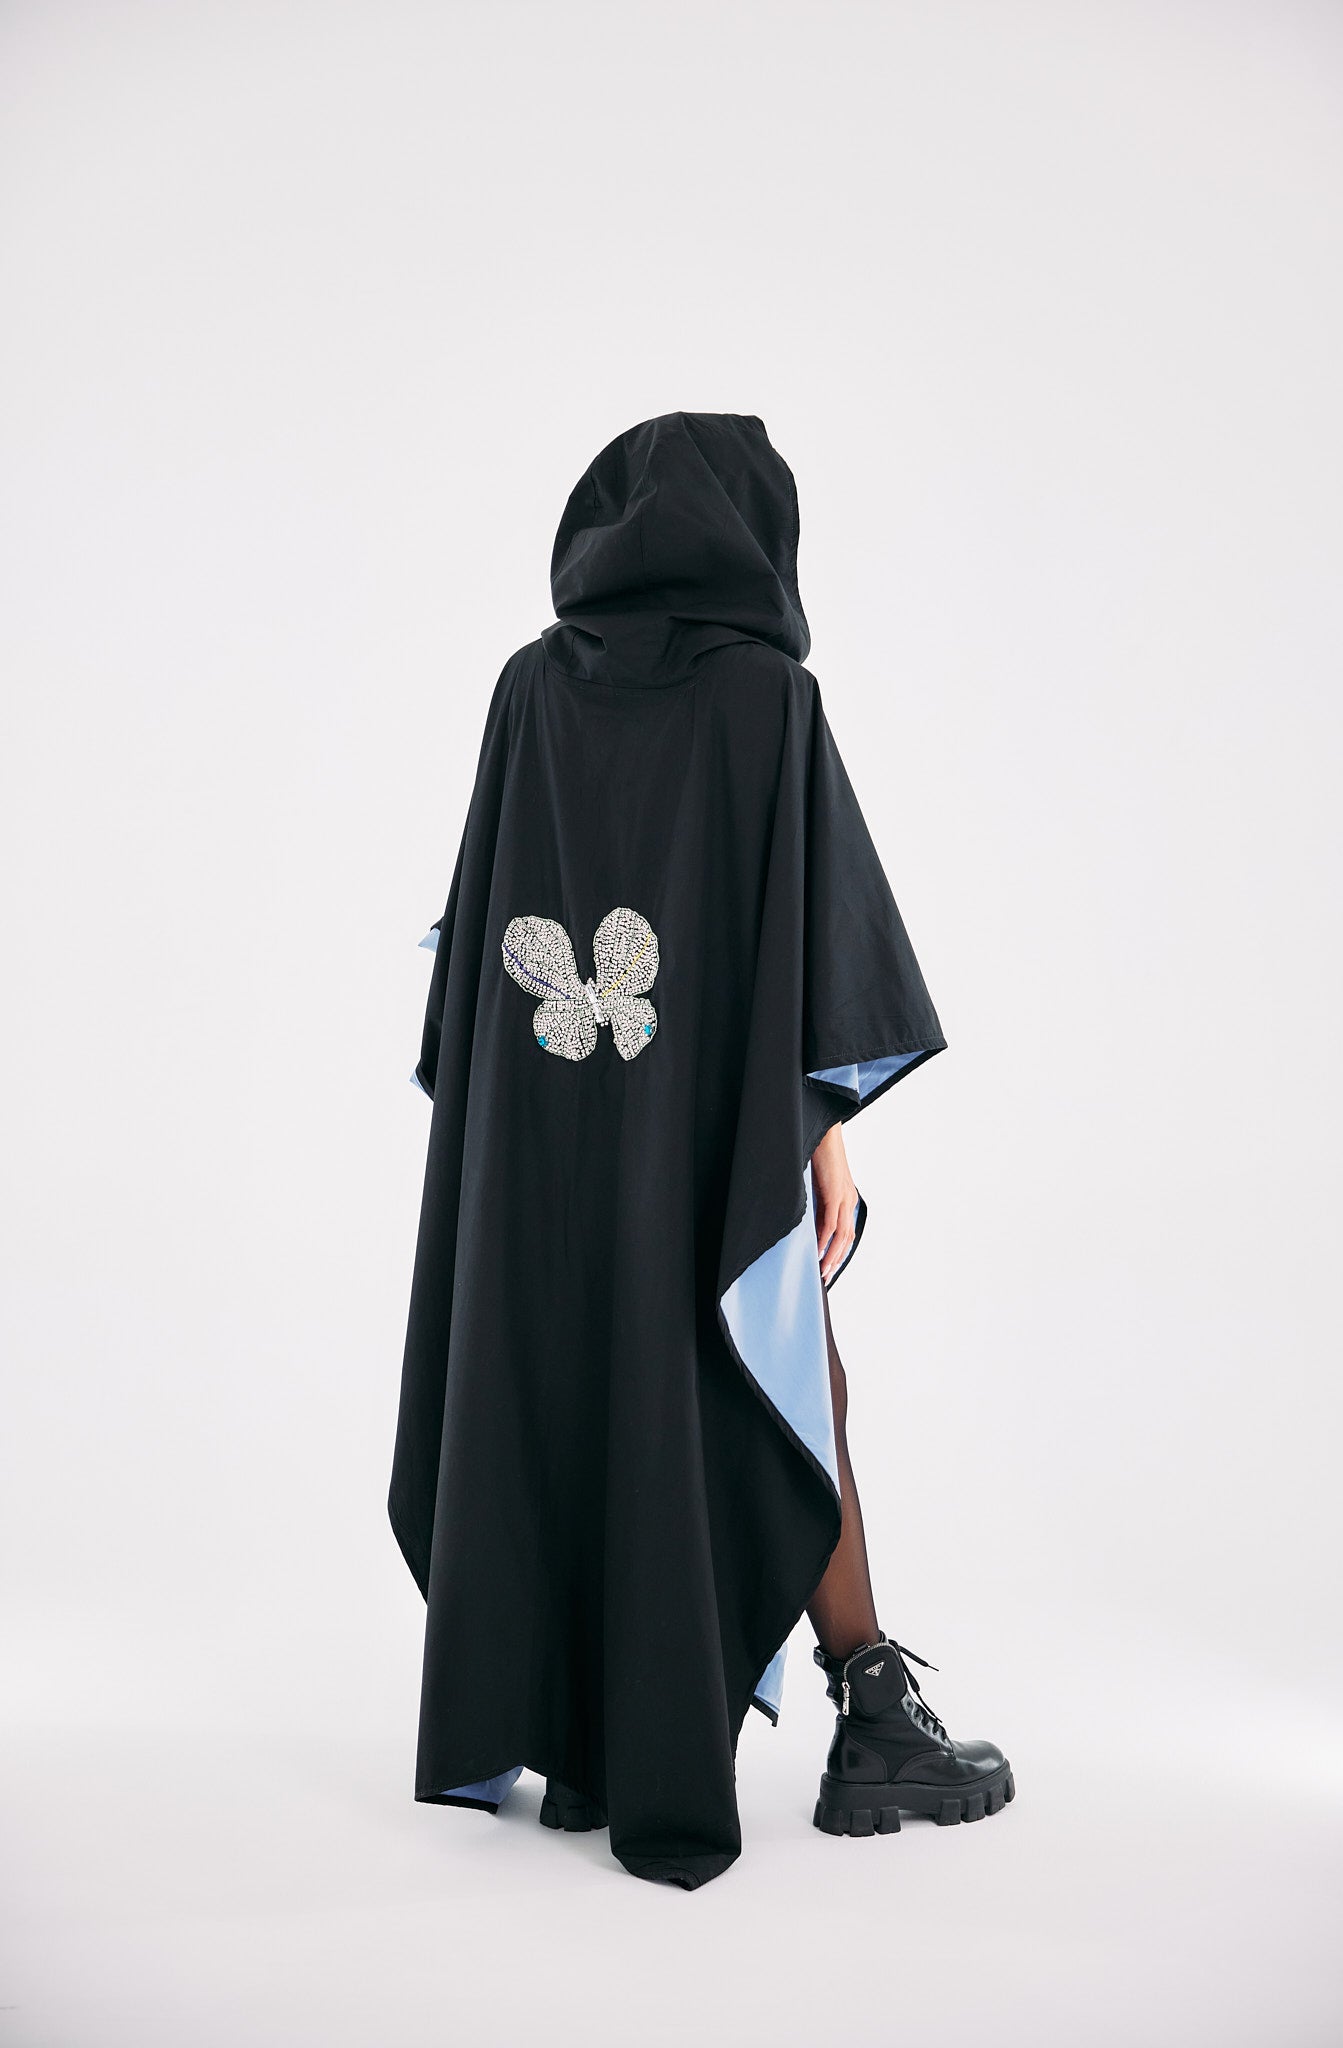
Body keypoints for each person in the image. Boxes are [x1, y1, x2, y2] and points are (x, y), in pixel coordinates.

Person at [389, 411, 1012, 1889]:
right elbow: (810, 953)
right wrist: (823, 1142)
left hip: (540, 1141)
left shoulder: (528, 688)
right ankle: (873, 1717)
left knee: (565, 1375)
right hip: (707, 1128)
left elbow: (483, 938)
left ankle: (588, 1738)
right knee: (775, 1365)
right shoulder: (765, 701)